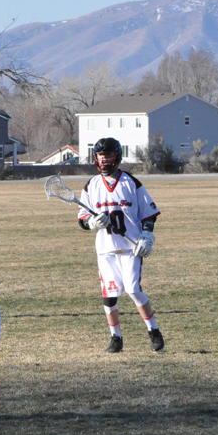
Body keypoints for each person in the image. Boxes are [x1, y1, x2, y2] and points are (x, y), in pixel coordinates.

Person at [78, 138, 163, 353]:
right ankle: (115, 337)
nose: (104, 159)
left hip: (130, 247)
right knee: (109, 294)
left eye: (107, 155)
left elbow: (149, 214)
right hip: (106, 248)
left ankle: (153, 331)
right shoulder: (91, 185)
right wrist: (92, 223)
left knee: (134, 289)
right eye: (100, 156)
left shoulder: (130, 183)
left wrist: (146, 235)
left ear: (117, 156)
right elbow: (82, 219)